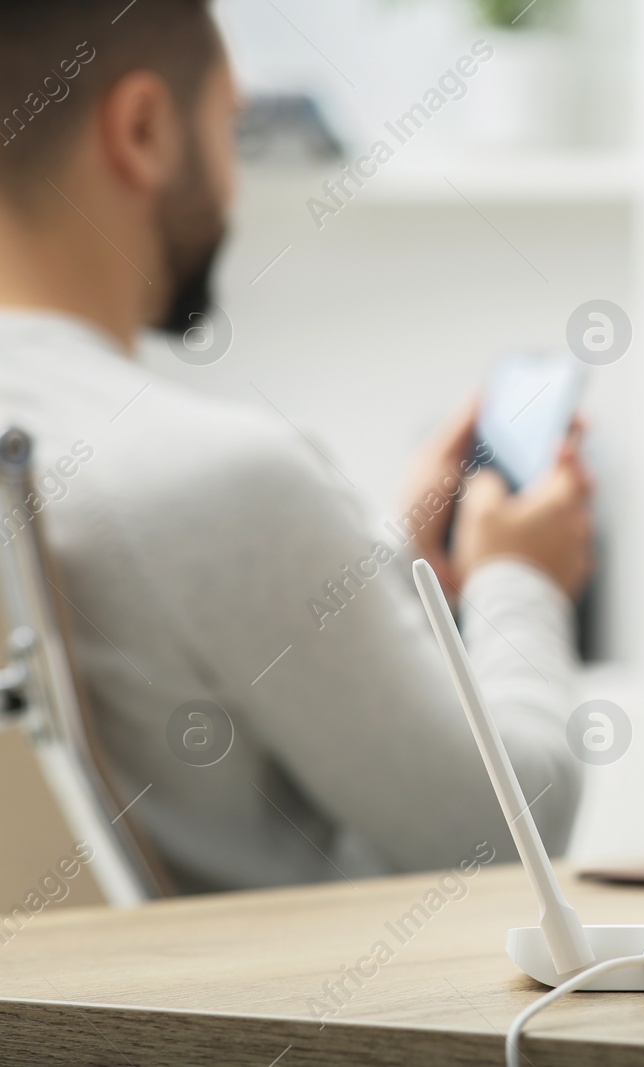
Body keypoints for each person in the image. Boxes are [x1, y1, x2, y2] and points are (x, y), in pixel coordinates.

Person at [0, 1, 591, 892]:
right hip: (263, 1024)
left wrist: (376, 563)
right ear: (145, 129)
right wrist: (521, 578)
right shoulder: (221, 479)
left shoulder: (104, 463)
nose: (234, 182)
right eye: (229, 125)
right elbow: (508, 834)